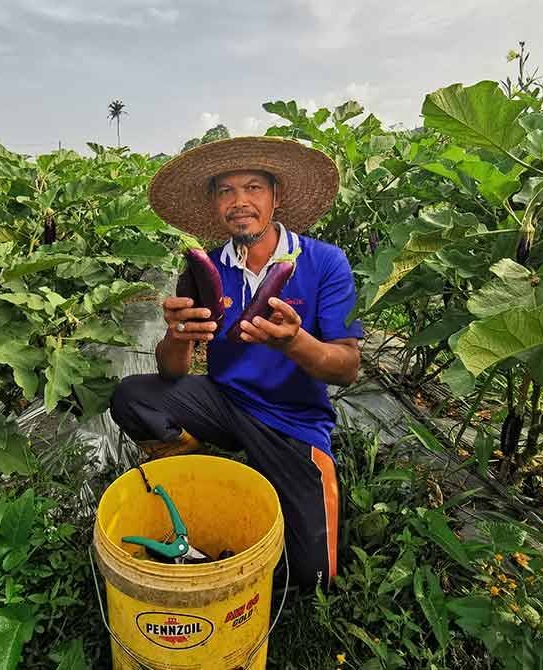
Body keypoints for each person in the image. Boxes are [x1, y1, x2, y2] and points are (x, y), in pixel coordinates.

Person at [109, 136, 363, 590]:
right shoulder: (205, 267)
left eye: (252, 188)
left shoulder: (324, 262)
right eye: (226, 191)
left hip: (295, 421)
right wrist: (178, 336)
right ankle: (198, 469)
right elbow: (172, 372)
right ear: (214, 203)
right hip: (225, 402)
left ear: (276, 197)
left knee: (313, 577)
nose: (239, 201)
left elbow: (346, 368)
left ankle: (268, 471)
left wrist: (295, 342)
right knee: (133, 396)